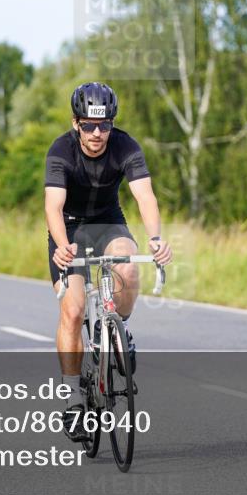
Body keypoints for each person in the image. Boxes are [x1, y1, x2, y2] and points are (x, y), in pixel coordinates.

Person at [45, 82, 172, 443]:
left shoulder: (126, 146)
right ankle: (72, 400)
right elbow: (53, 206)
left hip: (108, 222)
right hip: (68, 229)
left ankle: (120, 330)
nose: (97, 133)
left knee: (128, 266)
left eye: (104, 126)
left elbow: (144, 195)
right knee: (72, 310)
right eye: (88, 126)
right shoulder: (61, 151)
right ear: (76, 123)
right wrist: (61, 246)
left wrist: (156, 238)